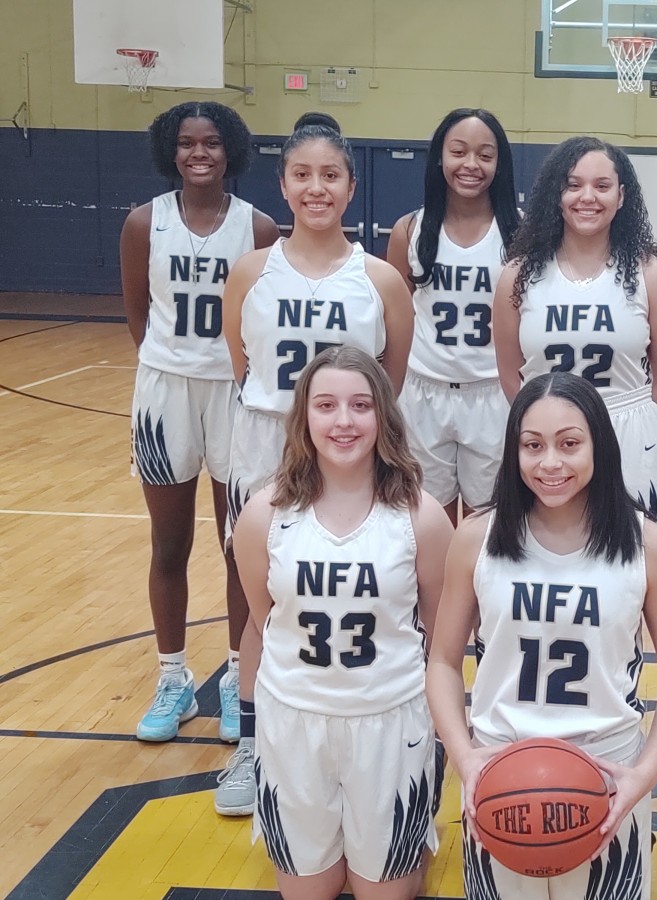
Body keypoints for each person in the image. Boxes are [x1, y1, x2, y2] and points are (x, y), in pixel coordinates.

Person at [426, 372, 657, 900]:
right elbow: (440, 663)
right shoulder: (477, 537)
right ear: (513, 451)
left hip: (606, 777)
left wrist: (643, 775)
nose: (550, 463)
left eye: (570, 444)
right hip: (499, 776)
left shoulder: (647, 544)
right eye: (533, 445)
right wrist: (465, 756)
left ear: (600, 444)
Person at [216, 112, 414, 817]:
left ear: (352, 185)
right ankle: (251, 742)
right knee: (258, 597)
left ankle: (393, 731)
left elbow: (391, 378)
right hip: (267, 439)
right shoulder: (249, 272)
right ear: (283, 184)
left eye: (330, 174)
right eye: (302, 174)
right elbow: (245, 367)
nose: (316, 187)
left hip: (353, 444)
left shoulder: (382, 280)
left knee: (363, 584)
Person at [233, 346, 452, 899]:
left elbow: (439, 636)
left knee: (383, 891)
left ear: (384, 414)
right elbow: (267, 621)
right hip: (294, 725)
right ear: (304, 418)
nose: (344, 421)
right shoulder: (263, 515)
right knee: (312, 890)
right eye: (326, 405)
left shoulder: (420, 517)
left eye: (360, 405)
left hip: (390, 724)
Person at [119, 102, 278, 745]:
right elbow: (136, 314)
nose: (198, 154)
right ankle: (173, 676)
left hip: (236, 395)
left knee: (238, 547)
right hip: (163, 392)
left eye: (210, 143)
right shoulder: (142, 223)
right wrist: (169, 365)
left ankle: (240, 678)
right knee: (169, 546)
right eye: (186, 144)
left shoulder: (259, 227)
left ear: (230, 150)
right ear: (171, 151)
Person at [493, 136, 657, 522]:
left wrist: (631, 419)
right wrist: (542, 423)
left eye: (602, 186)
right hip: (547, 434)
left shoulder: (652, 274)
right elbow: (510, 374)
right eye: (573, 184)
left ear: (621, 195)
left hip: (628, 427)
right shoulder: (518, 275)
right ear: (555, 194)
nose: (587, 197)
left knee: (634, 554)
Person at [387, 108, 520, 524]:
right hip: (424, 391)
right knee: (429, 521)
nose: (471, 165)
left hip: (493, 393)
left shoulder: (521, 234)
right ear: (439, 158)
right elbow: (393, 318)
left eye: (485, 154)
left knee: (488, 524)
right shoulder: (409, 230)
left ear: (500, 164)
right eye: (458, 151)